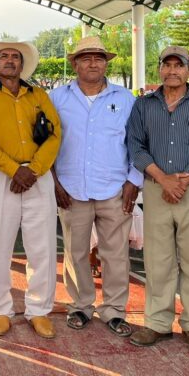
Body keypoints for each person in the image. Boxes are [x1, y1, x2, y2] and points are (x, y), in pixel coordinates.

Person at [126, 46, 189, 353]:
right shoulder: (144, 105)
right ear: (159, 70)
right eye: (166, 65)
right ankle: (157, 323)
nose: (172, 71)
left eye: (178, 65)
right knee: (158, 261)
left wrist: (185, 179)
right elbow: (135, 145)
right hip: (157, 189)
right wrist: (163, 178)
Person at [49, 37, 142, 337]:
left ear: (106, 63)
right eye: (85, 57)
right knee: (76, 253)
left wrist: (134, 180)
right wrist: (53, 181)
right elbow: (46, 142)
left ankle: (114, 310)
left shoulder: (125, 98)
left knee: (115, 254)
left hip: (115, 188)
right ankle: (81, 306)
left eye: (98, 58)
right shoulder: (57, 98)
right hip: (71, 189)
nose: (92, 63)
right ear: (75, 63)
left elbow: (139, 143)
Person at [0, 39, 61, 338]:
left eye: (15, 57)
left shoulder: (39, 95)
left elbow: (55, 134)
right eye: (3, 57)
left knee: (42, 247)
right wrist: (14, 170)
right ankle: (1, 310)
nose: (9, 61)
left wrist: (32, 170)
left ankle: (39, 310)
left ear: (23, 65)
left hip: (37, 175)